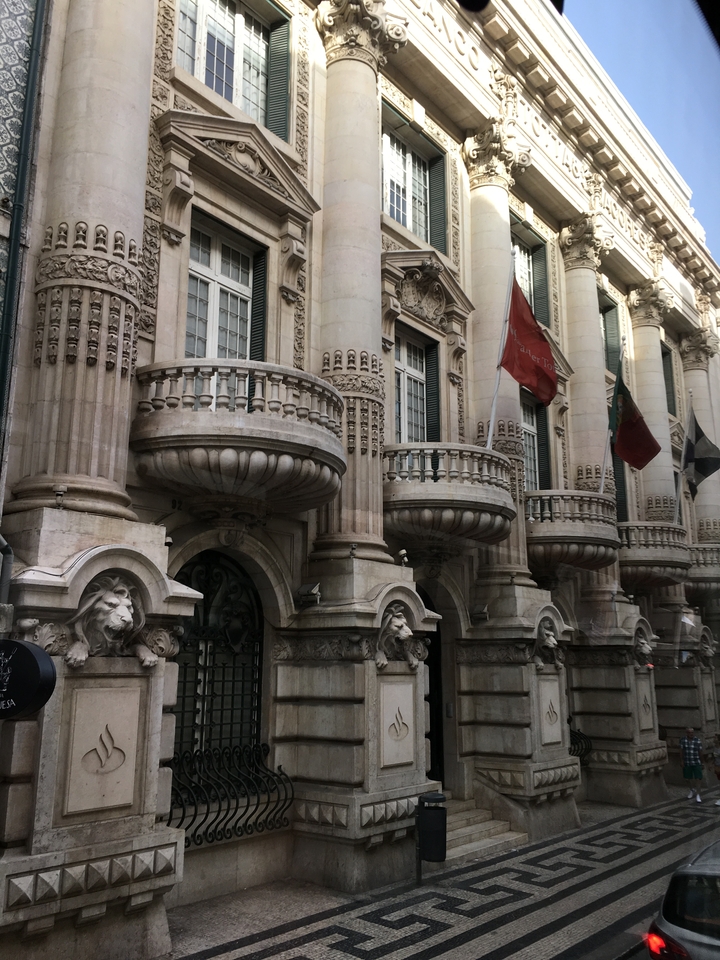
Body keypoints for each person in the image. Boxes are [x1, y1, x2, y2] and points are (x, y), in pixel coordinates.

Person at [680, 727, 704, 802]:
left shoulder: (697, 740)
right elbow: (681, 751)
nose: (691, 734)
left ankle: (698, 794)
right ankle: (691, 789)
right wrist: (682, 761)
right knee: (687, 778)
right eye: (689, 733)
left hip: (696, 761)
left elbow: (700, 751)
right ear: (687, 733)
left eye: (692, 732)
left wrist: (702, 762)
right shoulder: (683, 740)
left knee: (698, 778)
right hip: (687, 761)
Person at [709, 733, 720, 806]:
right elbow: (713, 757)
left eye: (715, 738)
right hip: (717, 767)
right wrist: (711, 764)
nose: (714, 739)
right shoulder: (714, 748)